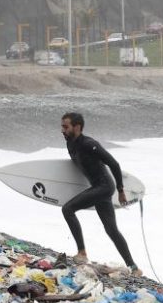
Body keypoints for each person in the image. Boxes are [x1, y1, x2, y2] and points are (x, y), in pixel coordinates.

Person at [60, 112, 140, 275]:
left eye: (65, 126)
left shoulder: (90, 144)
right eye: (62, 126)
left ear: (77, 127)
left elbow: (114, 164)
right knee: (111, 229)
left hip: (104, 187)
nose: (62, 130)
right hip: (97, 188)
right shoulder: (70, 145)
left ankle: (82, 253)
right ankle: (134, 268)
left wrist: (120, 191)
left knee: (67, 209)